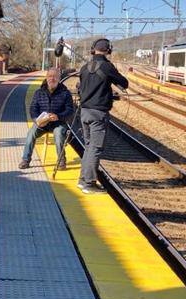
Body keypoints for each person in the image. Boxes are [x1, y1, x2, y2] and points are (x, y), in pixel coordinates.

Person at [77, 38, 128, 194]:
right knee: (95, 148)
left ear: (93, 50)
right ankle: (89, 183)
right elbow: (124, 83)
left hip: (84, 112)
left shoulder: (84, 68)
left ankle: (82, 179)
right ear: (108, 51)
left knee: (88, 147)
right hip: (98, 114)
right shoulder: (107, 67)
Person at [19, 67, 74, 170]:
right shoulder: (39, 92)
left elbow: (70, 110)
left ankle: (61, 161)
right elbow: (33, 109)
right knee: (31, 133)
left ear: (59, 78)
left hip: (59, 123)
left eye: (55, 76)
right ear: (46, 77)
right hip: (42, 124)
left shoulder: (65, 93)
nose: (52, 79)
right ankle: (25, 160)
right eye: (50, 76)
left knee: (58, 134)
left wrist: (58, 116)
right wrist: (37, 120)